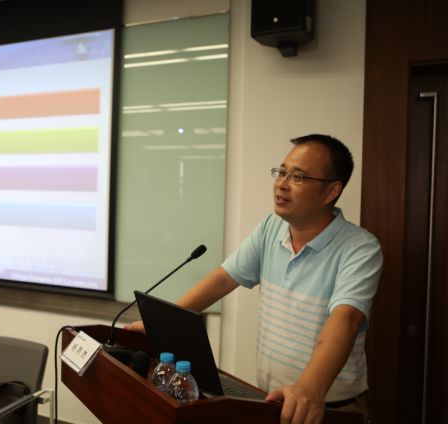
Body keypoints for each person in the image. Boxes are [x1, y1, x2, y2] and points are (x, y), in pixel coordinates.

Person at [126, 134, 382, 424]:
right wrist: (163, 323)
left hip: (326, 407)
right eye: (281, 172)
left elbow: (346, 319)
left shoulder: (359, 248)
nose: (282, 184)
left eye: (298, 177)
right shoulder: (272, 227)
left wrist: (310, 387)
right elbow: (224, 278)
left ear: (331, 191)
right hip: (270, 401)